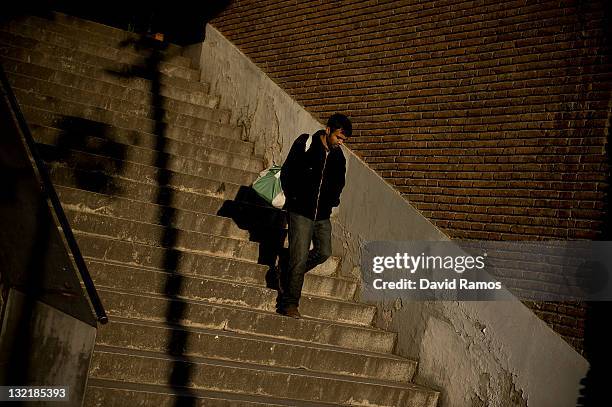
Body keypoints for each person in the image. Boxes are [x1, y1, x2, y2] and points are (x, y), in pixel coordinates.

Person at [277, 113, 352, 318]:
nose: (340, 142)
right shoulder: (306, 143)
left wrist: (332, 201)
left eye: (344, 140)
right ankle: (289, 303)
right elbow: (287, 172)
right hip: (300, 211)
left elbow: (339, 184)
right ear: (328, 131)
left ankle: (287, 267)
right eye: (338, 137)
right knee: (299, 257)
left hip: (322, 215)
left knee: (324, 252)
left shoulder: (339, 157)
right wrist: (294, 198)